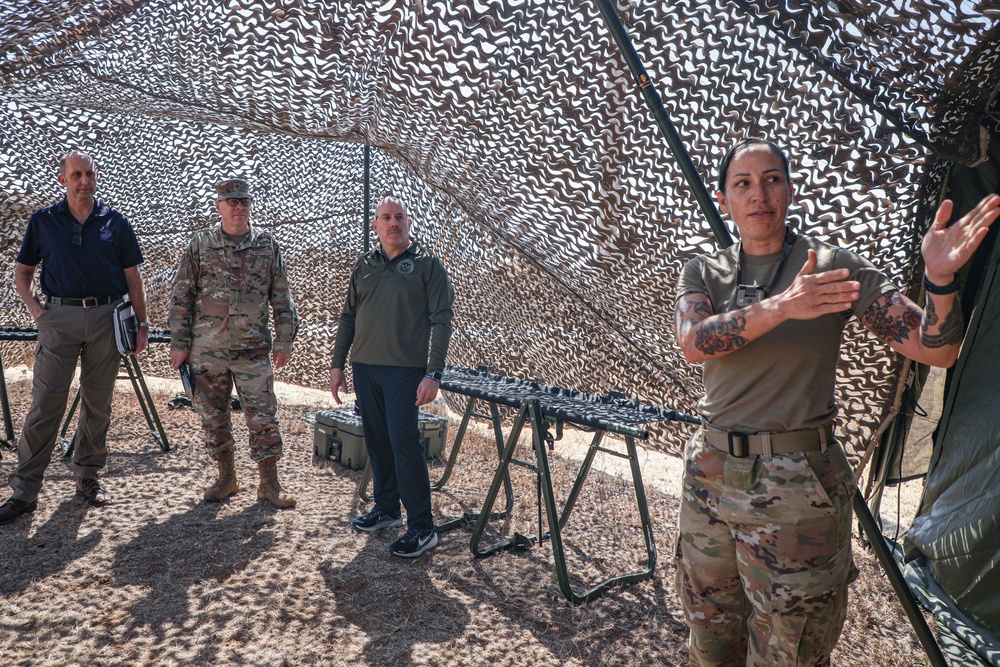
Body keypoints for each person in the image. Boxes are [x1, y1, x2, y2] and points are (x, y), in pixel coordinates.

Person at [672, 138, 1000, 667]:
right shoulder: (704, 273)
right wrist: (783, 307)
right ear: (725, 198)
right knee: (710, 637)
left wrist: (940, 281)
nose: (760, 194)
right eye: (743, 184)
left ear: (789, 188)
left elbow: (932, 349)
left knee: (791, 649)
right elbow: (694, 342)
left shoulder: (831, 268)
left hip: (797, 486)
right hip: (709, 477)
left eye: (772, 179)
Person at [0, 150, 149, 525]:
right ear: (63, 179)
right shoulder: (44, 221)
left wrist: (142, 326)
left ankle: (87, 478)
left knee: (98, 404)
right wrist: (38, 313)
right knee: (45, 403)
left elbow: (133, 279)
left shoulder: (114, 222)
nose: (84, 181)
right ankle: (25, 492)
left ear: (96, 178)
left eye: (89, 174)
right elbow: (22, 273)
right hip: (59, 318)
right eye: (77, 174)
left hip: (106, 317)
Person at [329, 195, 454, 558]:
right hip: (365, 367)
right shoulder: (365, 264)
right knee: (378, 440)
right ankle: (386, 510)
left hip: (405, 372)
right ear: (376, 226)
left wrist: (433, 374)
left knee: (404, 443)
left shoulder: (427, 265)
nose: (393, 223)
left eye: (399, 217)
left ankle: (422, 527)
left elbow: (441, 321)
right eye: (386, 217)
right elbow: (348, 317)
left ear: (409, 223)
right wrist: (338, 364)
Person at [167, 178, 299, 508]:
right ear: (219, 206)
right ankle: (227, 478)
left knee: (263, 417)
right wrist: (179, 343)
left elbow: (281, 295)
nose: (239, 207)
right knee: (213, 416)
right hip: (207, 350)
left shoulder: (266, 244)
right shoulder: (201, 244)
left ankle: (269, 484)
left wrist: (284, 340)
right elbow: (182, 295)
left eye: (244, 201)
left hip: (252, 350)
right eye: (232, 202)